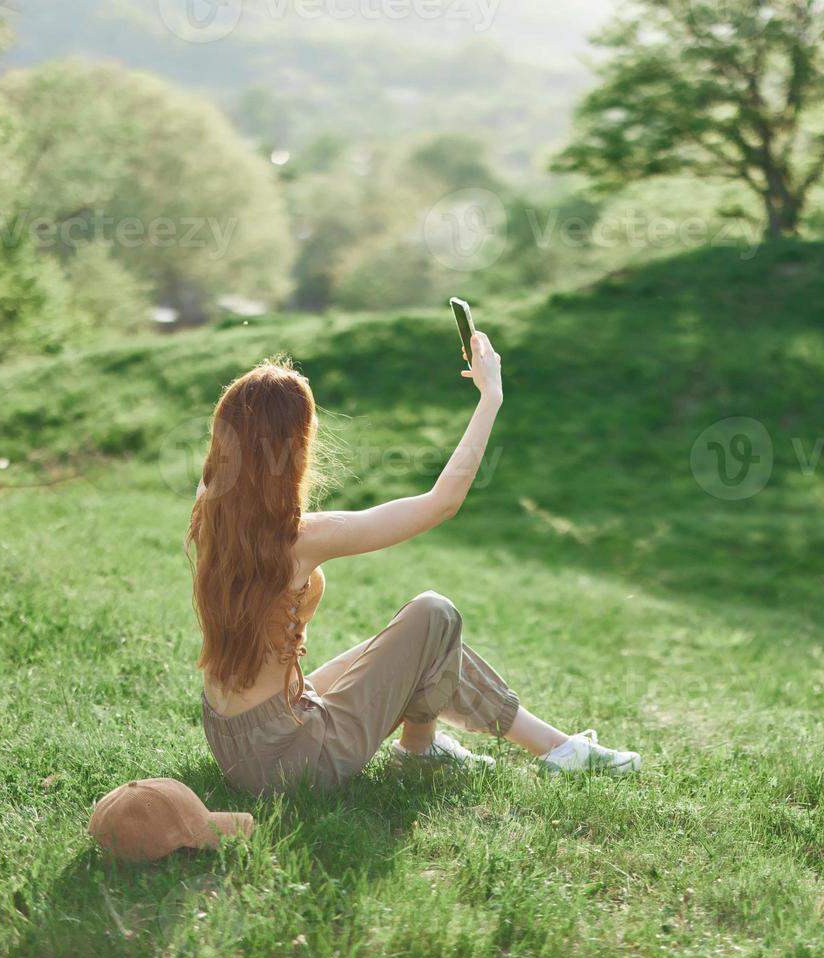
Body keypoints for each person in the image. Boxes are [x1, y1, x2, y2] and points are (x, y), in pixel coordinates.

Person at [186, 329, 640, 794]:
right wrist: (491, 397)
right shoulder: (298, 539)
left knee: (414, 643)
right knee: (432, 614)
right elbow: (442, 502)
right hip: (290, 762)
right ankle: (436, 750)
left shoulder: (208, 513)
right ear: (296, 447)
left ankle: (540, 746)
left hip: (232, 741)